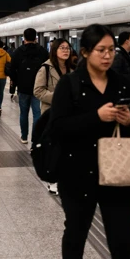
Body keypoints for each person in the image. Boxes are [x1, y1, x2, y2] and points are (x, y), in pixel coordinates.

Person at [51, 24, 130, 259]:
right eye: (101, 50)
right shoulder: (70, 85)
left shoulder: (120, 82)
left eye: (111, 49)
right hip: (78, 173)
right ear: (86, 52)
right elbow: (58, 127)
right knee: (76, 231)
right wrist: (95, 117)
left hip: (117, 173)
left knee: (123, 242)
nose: (107, 55)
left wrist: (127, 120)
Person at [34, 38, 76, 196]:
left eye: (67, 48)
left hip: (71, 114)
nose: (66, 51)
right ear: (54, 50)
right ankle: (53, 181)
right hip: (52, 113)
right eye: (62, 48)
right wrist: (59, 97)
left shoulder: (73, 67)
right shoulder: (45, 68)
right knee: (55, 147)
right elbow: (38, 91)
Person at [8, 28, 49, 144]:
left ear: (24, 38)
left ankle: (24, 137)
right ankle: (35, 137)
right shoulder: (42, 51)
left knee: (23, 113)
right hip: (39, 87)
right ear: (36, 37)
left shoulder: (18, 51)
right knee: (37, 113)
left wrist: (17, 81)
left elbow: (11, 69)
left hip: (23, 87)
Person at [112, 32, 130, 102]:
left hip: (128, 97)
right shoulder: (118, 56)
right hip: (123, 98)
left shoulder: (127, 55)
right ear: (127, 42)